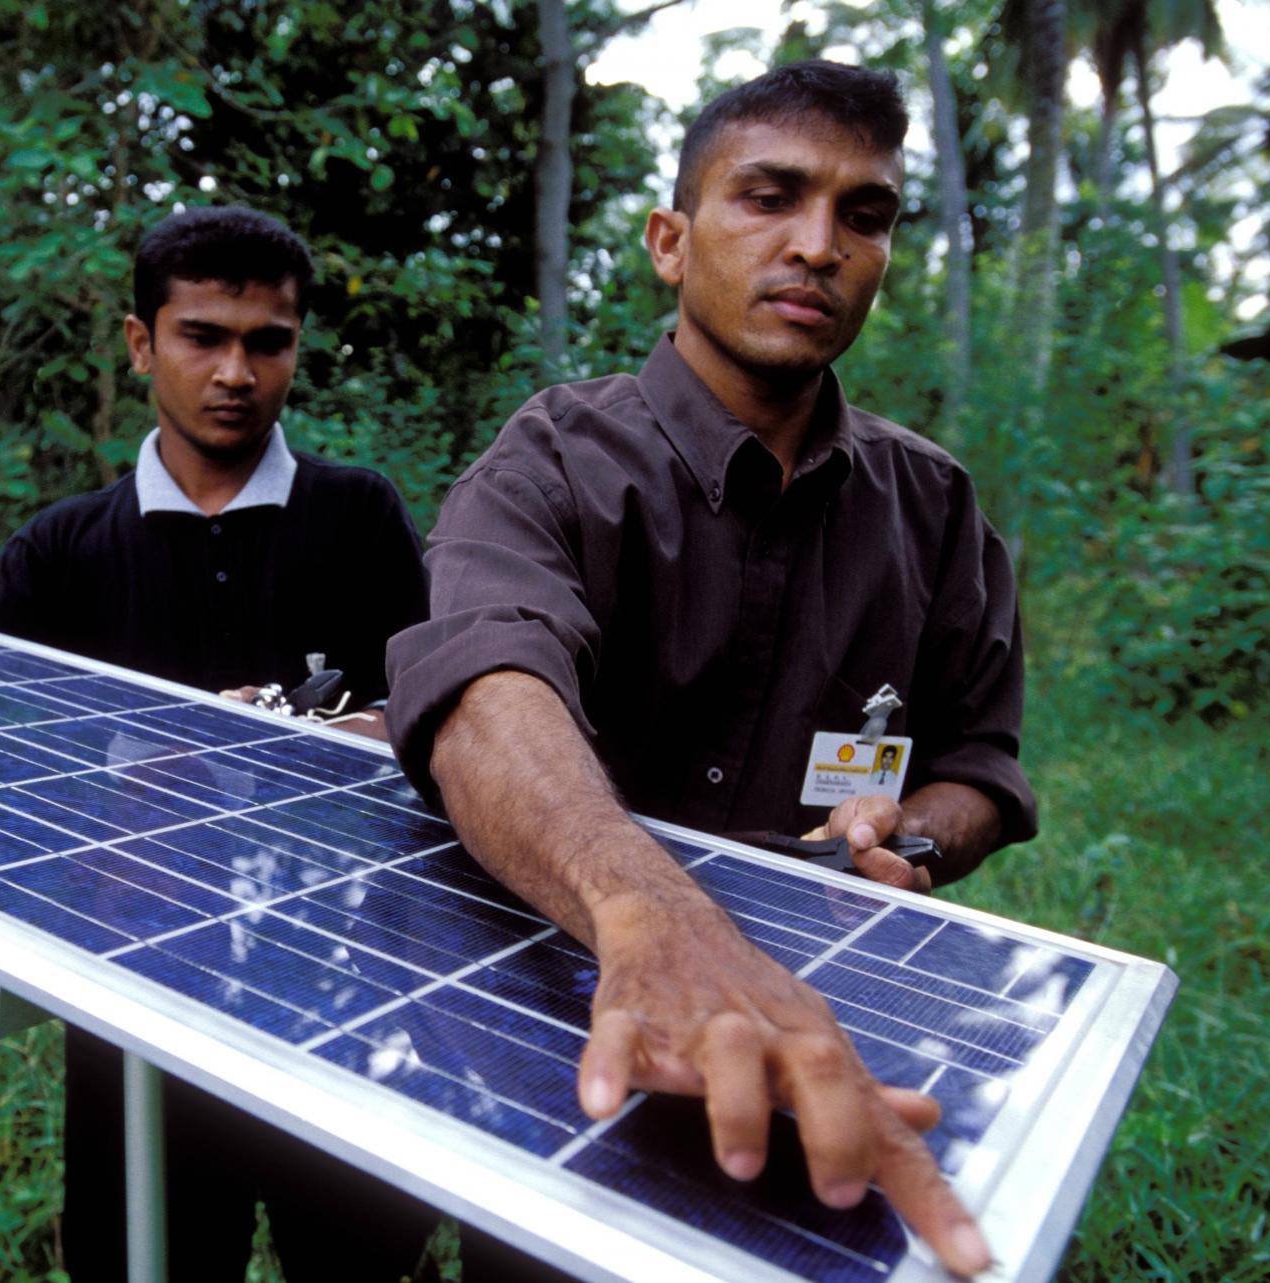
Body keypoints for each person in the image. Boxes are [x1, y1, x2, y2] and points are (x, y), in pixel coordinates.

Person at [384, 62, 1034, 1279]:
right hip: (566, 1023)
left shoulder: (935, 508)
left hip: (825, 1041)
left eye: (863, 214)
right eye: (769, 197)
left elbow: (979, 766)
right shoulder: (549, 466)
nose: (818, 245)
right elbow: (484, 691)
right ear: (670, 242)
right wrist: (648, 918)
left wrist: (918, 838)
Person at [0, 205, 435, 1283]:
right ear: (140, 343)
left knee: (359, 1257)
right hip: (134, 1000)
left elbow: (440, 706)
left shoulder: (357, 517)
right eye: (201, 336)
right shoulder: (63, 549)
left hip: (339, 984)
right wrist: (131, 770)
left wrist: (335, 732)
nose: (236, 371)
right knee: (148, 1254)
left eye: (266, 341)